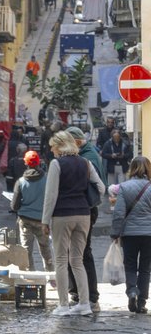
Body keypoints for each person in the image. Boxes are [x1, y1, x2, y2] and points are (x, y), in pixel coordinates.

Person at [42, 130, 106, 316]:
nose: (52, 150)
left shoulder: (56, 164)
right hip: (83, 214)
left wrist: (45, 220)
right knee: (77, 260)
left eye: (53, 146)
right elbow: (101, 187)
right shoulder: (85, 163)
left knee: (61, 260)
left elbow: (50, 195)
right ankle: (85, 304)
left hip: (62, 215)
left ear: (60, 145)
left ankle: (63, 305)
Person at [67, 126, 104, 310]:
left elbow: (97, 185)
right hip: (84, 208)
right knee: (78, 252)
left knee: (82, 252)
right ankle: (81, 294)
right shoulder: (89, 154)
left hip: (85, 208)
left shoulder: (87, 158)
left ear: (77, 142)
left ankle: (90, 296)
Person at [111, 157, 151, 313]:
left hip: (129, 234)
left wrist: (115, 232)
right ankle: (142, 302)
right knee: (145, 268)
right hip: (149, 234)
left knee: (130, 265)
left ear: (132, 168)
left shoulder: (124, 187)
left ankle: (132, 291)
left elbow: (119, 213)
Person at [11, 150, 54, 272]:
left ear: (26, 164)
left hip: (25, 220)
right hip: (42, 220)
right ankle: (51, 275)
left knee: (26, 250)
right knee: (45, 248)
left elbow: (14, 206)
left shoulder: (20, 182)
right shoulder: (47, 179)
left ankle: (30, 275)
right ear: (39, 162)